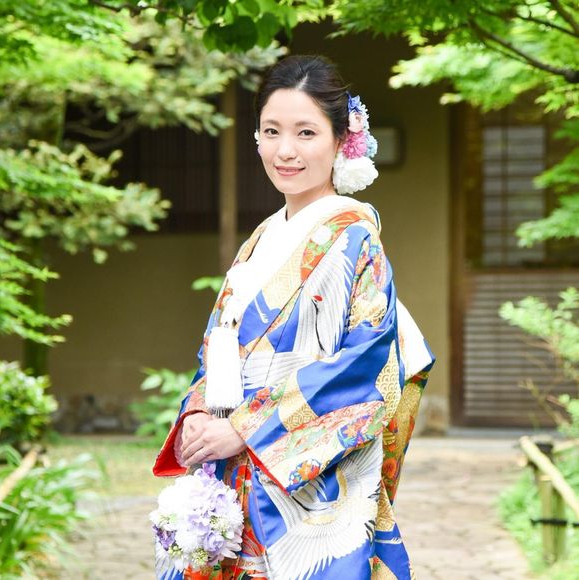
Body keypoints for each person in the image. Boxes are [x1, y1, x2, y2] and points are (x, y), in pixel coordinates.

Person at [153, 54, 435, 580]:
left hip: (304, 487)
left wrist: (246, 428)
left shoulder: (354, 237)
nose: (285, 150)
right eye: (271, 131)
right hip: (233, 470)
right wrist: (197, 413)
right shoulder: (260, 239)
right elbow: (219, 345)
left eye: (306, 132)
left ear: (341, 140)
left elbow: (364, 367)